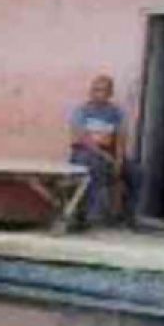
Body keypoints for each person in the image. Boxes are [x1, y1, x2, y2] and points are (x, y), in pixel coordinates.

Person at [69, 74, 127, 228]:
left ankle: (130, 217)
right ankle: (90, 216)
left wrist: (119, 161)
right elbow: (82, 138)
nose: (97, 94)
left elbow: (121, 138)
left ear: (110, 94)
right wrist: (105, 156)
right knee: (94, 165)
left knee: (138, 173)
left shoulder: (116, 113)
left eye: (102, 90)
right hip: (84, 152)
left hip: (109, 154)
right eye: (95, 90)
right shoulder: (82, 111)